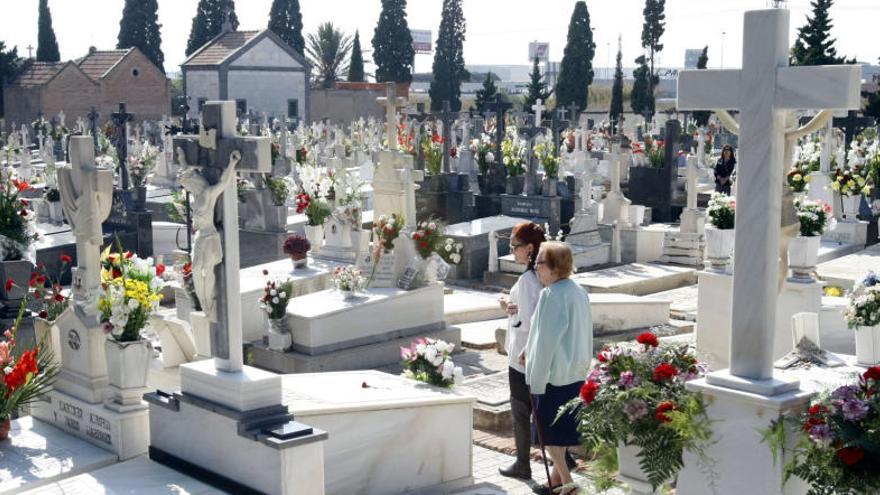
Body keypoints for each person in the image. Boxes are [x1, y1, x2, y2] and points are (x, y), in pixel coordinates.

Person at [522, 242, 592, 495]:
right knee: (559, 435)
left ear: (553, 267)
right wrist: (526, 350)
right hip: (575, 373)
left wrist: (534, 379)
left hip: (553, 377)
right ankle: (561, 482)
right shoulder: (577, 291)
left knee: (549, 437)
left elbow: (546, 342)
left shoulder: (550, 295)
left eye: (540, 262)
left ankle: (569, 484)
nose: (536, 267)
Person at [497, 222, 545, 480]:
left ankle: (522, 464)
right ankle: (564, 459)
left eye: (515, 246)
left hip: (522, 357)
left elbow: (525, 321)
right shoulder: (542, 275)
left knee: (521, 411)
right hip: (537, 355)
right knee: (541, 410)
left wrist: (508, 304)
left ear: (529, 248)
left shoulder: (527, 280)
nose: (512, 251)